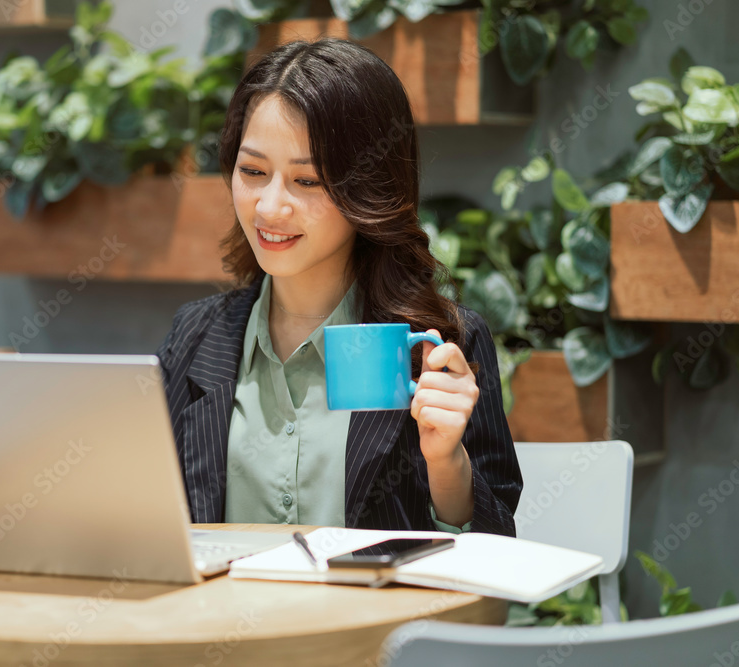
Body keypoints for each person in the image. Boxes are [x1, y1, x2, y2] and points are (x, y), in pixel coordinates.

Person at [155, 38, 522, 535]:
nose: (269, 207)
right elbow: (159, 523)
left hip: (383, 615)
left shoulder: (440, 344)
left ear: (369, 188)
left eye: (306, 181)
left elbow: (496, 548)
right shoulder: (197, 335)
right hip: (227, 612)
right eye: (253, 171)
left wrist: (446, 462)